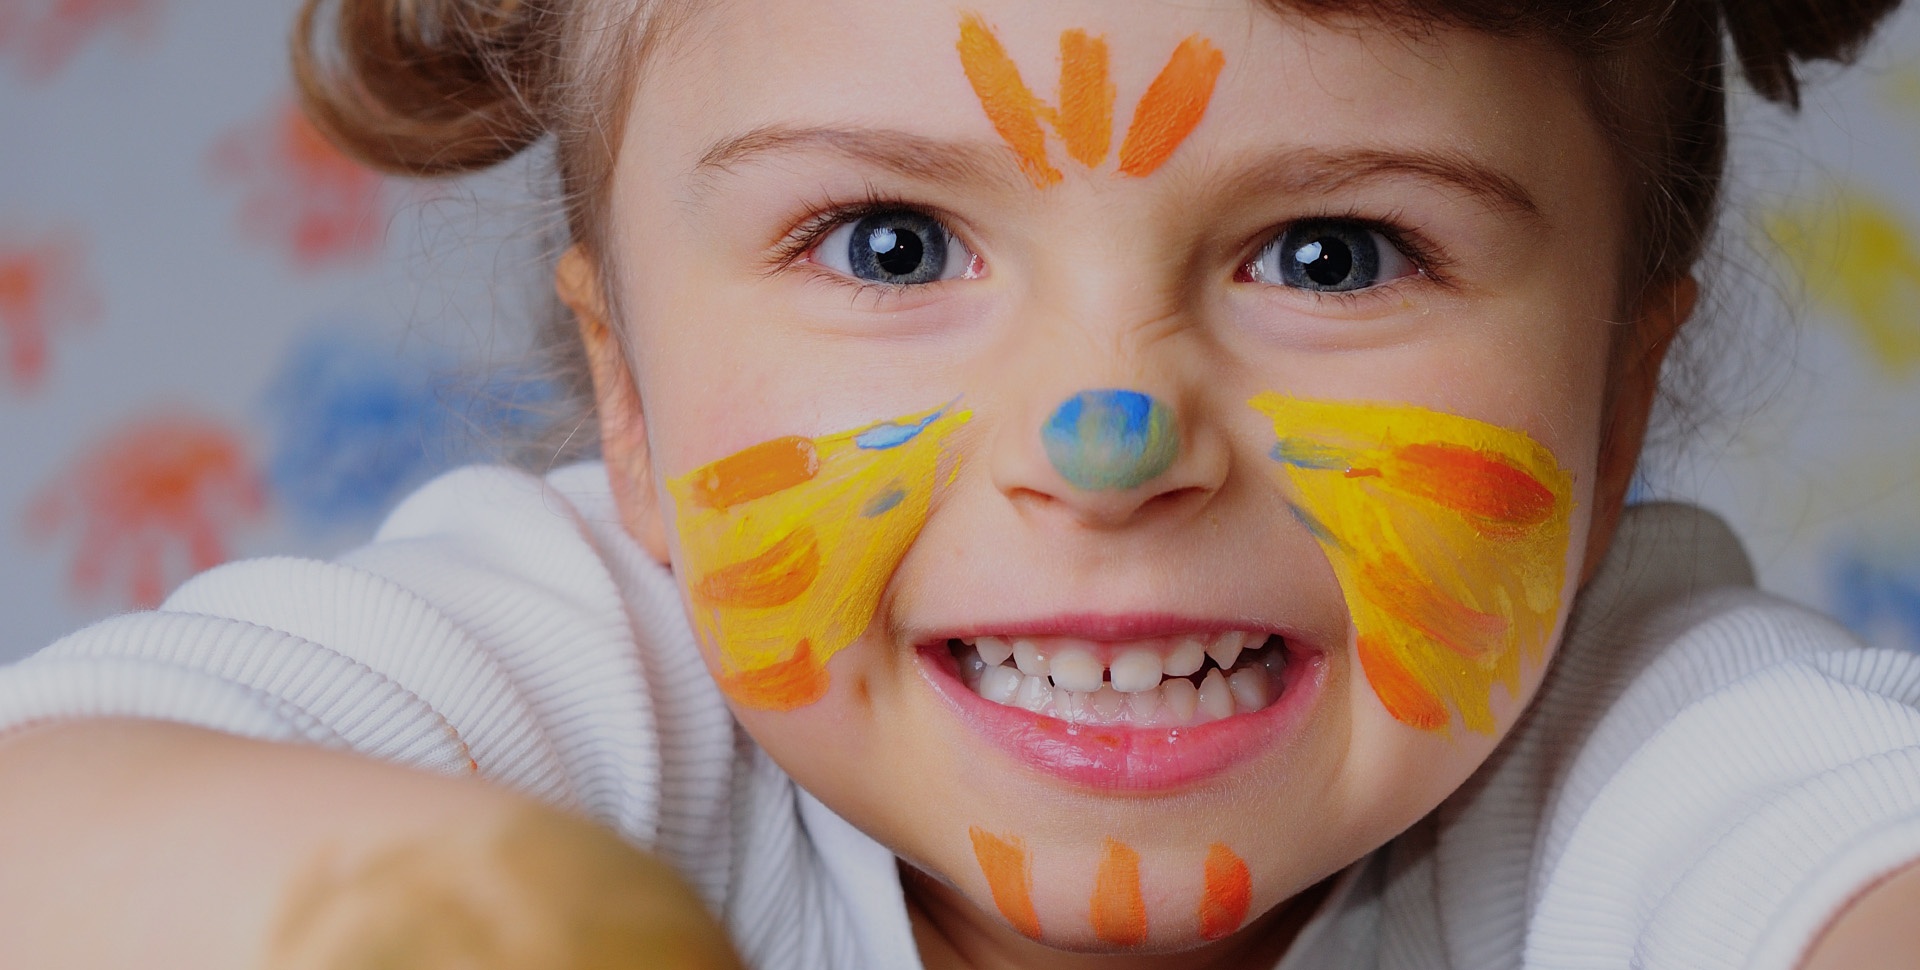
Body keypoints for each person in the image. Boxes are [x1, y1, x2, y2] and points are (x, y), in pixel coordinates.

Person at [3, 0, 1918, 966]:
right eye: (892, 244)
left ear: (1611, 407)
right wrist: (473, 912)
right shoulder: (599, 674)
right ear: (634, 408)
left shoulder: (1636, 734)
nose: (1109, 437)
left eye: (1332, 255)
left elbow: (1840, 848)